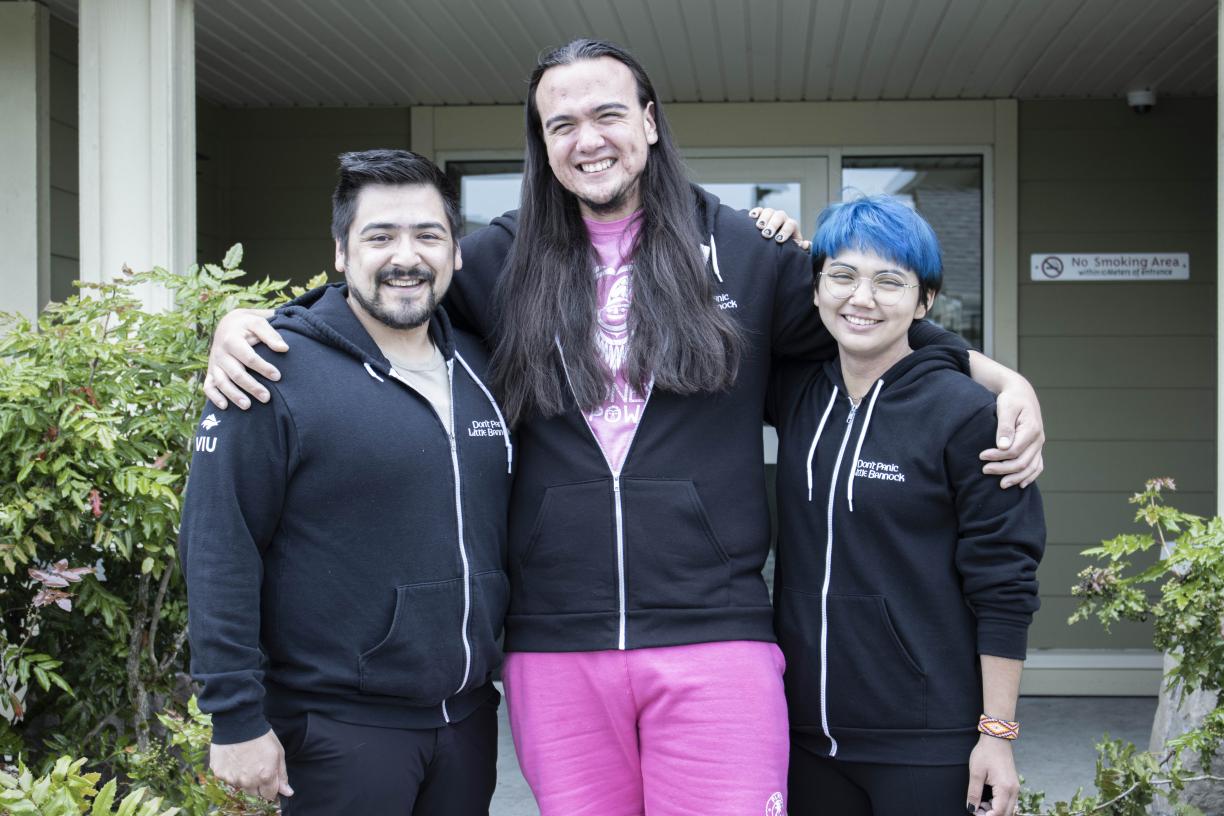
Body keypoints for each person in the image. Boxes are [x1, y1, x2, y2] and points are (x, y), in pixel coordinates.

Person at [202, 39, 1045, 816]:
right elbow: (388, 293)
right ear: (542, 143)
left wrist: (999, 377)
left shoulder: (744, 252)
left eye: (607, 114)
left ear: (648, 120)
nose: (588, 139)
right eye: (560, 123)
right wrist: (257, 323)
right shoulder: (496, 260)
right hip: (553, 645)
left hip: (716, 636)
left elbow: (865, 319)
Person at [179, 150, 513, 815]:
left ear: (456, 252)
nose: (405, 257)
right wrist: (235, 717)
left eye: (427, 235)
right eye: (379, 236)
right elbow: (220, 544)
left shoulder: (486, 366)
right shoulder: (270, 370)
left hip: (468, 722)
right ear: (340, 252)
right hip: (337, 728)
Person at [768, 196, 1044, 816]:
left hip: (928, 741)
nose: (861, 298)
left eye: (889, 282)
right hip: (805, 736)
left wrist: (996, 735)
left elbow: (1004, 582)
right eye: (842, 275)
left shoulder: (970, 416)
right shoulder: (795, 391)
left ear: (924, 303)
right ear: (817, 289)